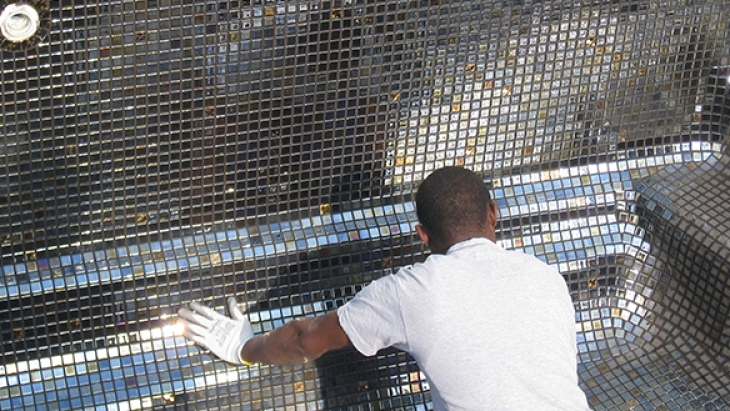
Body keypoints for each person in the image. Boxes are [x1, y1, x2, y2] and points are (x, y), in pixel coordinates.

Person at [178, 166, 591, 410]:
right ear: (494, 213)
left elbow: (306, 340)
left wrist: (243, 349)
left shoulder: (410, 292)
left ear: (422, 236)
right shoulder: (546, 277)